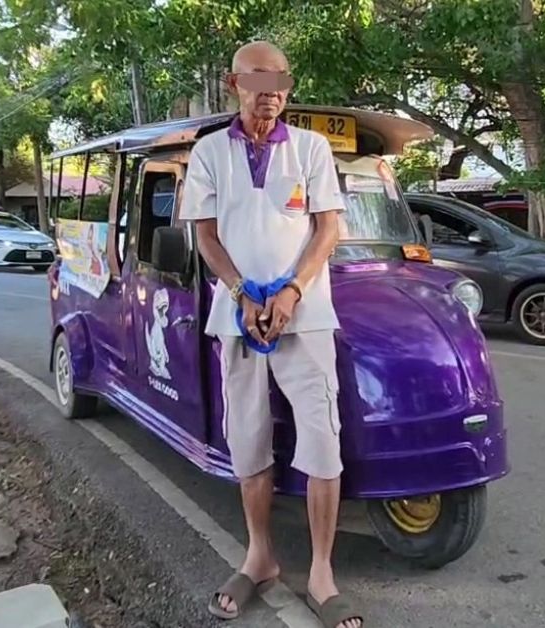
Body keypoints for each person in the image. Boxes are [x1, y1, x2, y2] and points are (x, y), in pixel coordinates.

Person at [178, 41, 362, 628]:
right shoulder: (209, 153)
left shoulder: (310, 148)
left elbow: (327, 230)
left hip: (305, 317)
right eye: (260, 83)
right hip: (236, 316)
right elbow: (206, 237)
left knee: (323, 442)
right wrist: (241, 293)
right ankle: (259, 558)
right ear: (234, 83)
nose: (272, 94)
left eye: (281, 83)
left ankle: (322, 573)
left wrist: (290, 292)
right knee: (249, 440)